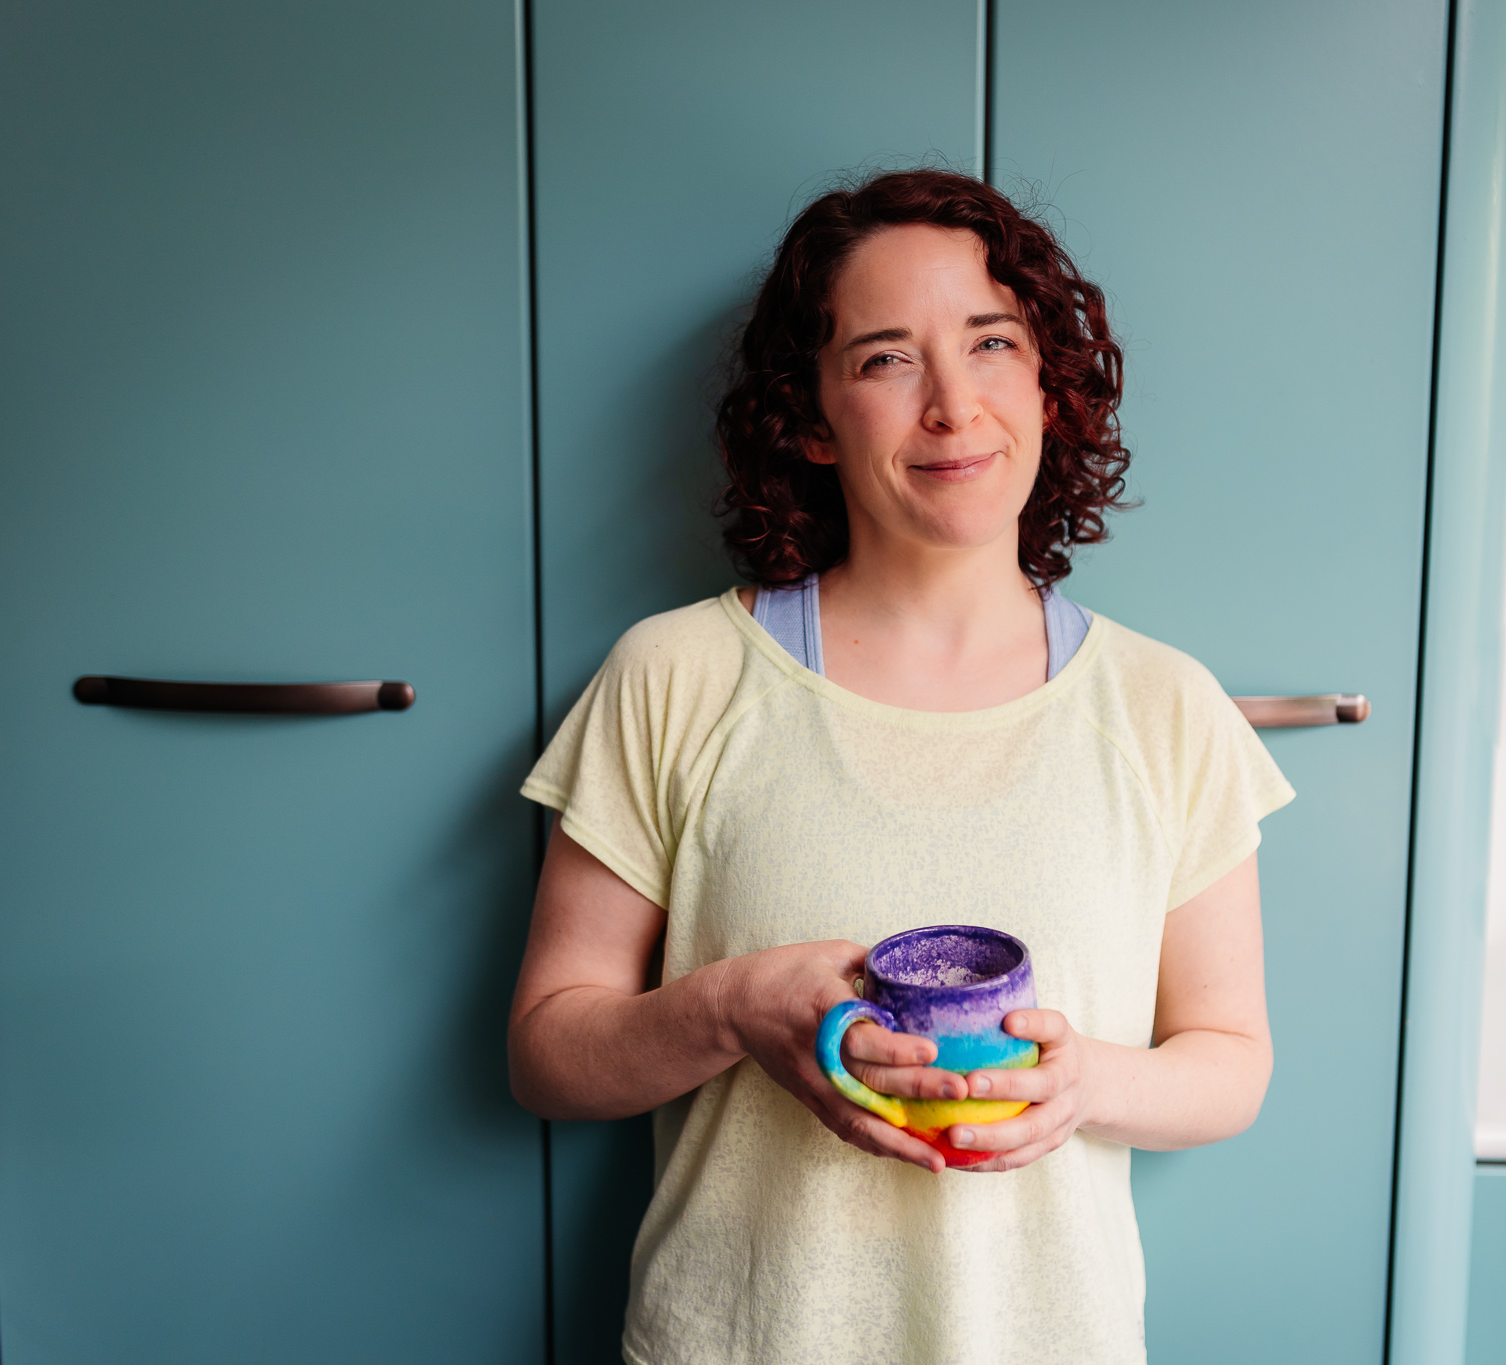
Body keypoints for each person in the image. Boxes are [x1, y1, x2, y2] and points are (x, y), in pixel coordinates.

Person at [507, 168, 1293, 1365]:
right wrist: (734, 1007)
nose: (951, 406)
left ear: (1047, 385)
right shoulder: (676, 675)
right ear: (812, 418)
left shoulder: (1163, 707)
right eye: (885, 358)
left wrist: (1084, 1085)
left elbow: (1228, 1064)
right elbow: (549, 1055)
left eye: (990, 343)